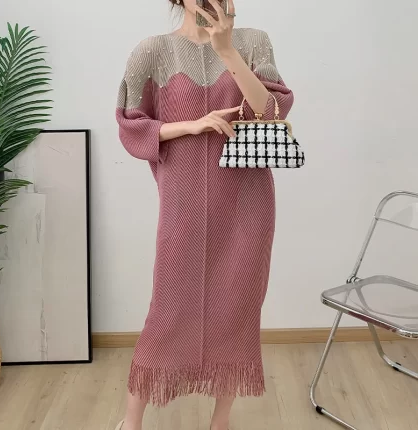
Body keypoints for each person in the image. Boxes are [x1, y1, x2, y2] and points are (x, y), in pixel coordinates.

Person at [115, 0, 294, 429]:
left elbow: (272, 112)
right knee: (167, 313)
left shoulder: (254, 43)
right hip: (182, 205)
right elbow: (130, 124)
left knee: (237, 313)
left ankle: (220, 421)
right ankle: (131, 422)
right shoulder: (152, 51)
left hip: (247, 205)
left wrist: (227, 50)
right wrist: (193, 125)